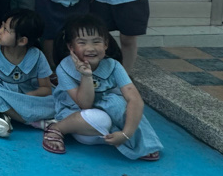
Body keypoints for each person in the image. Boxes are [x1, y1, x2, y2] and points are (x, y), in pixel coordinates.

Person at [41, 14, 162, 160]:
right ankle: (56, 128)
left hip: (107, 126)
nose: (90, 48)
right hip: (81, 120)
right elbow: (85, 104)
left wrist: (126, 134)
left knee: (120, 104)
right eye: (82, 43)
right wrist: (86, 75)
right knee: (100, 119)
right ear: (71, 47)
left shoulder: (114, 65)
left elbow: (135, 99)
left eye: (96, 41)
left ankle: (132, 139)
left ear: (105, 44)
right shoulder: (64, 68)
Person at [0, 10, 55, 128]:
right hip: (2, 95)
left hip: (26, 97)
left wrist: (28, 96)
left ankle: (12, 114)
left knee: (57, 101)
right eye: (1, 26)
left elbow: (46, 89)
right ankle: (28, 121)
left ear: (22, 41)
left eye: (5, 29)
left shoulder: (37, 56)